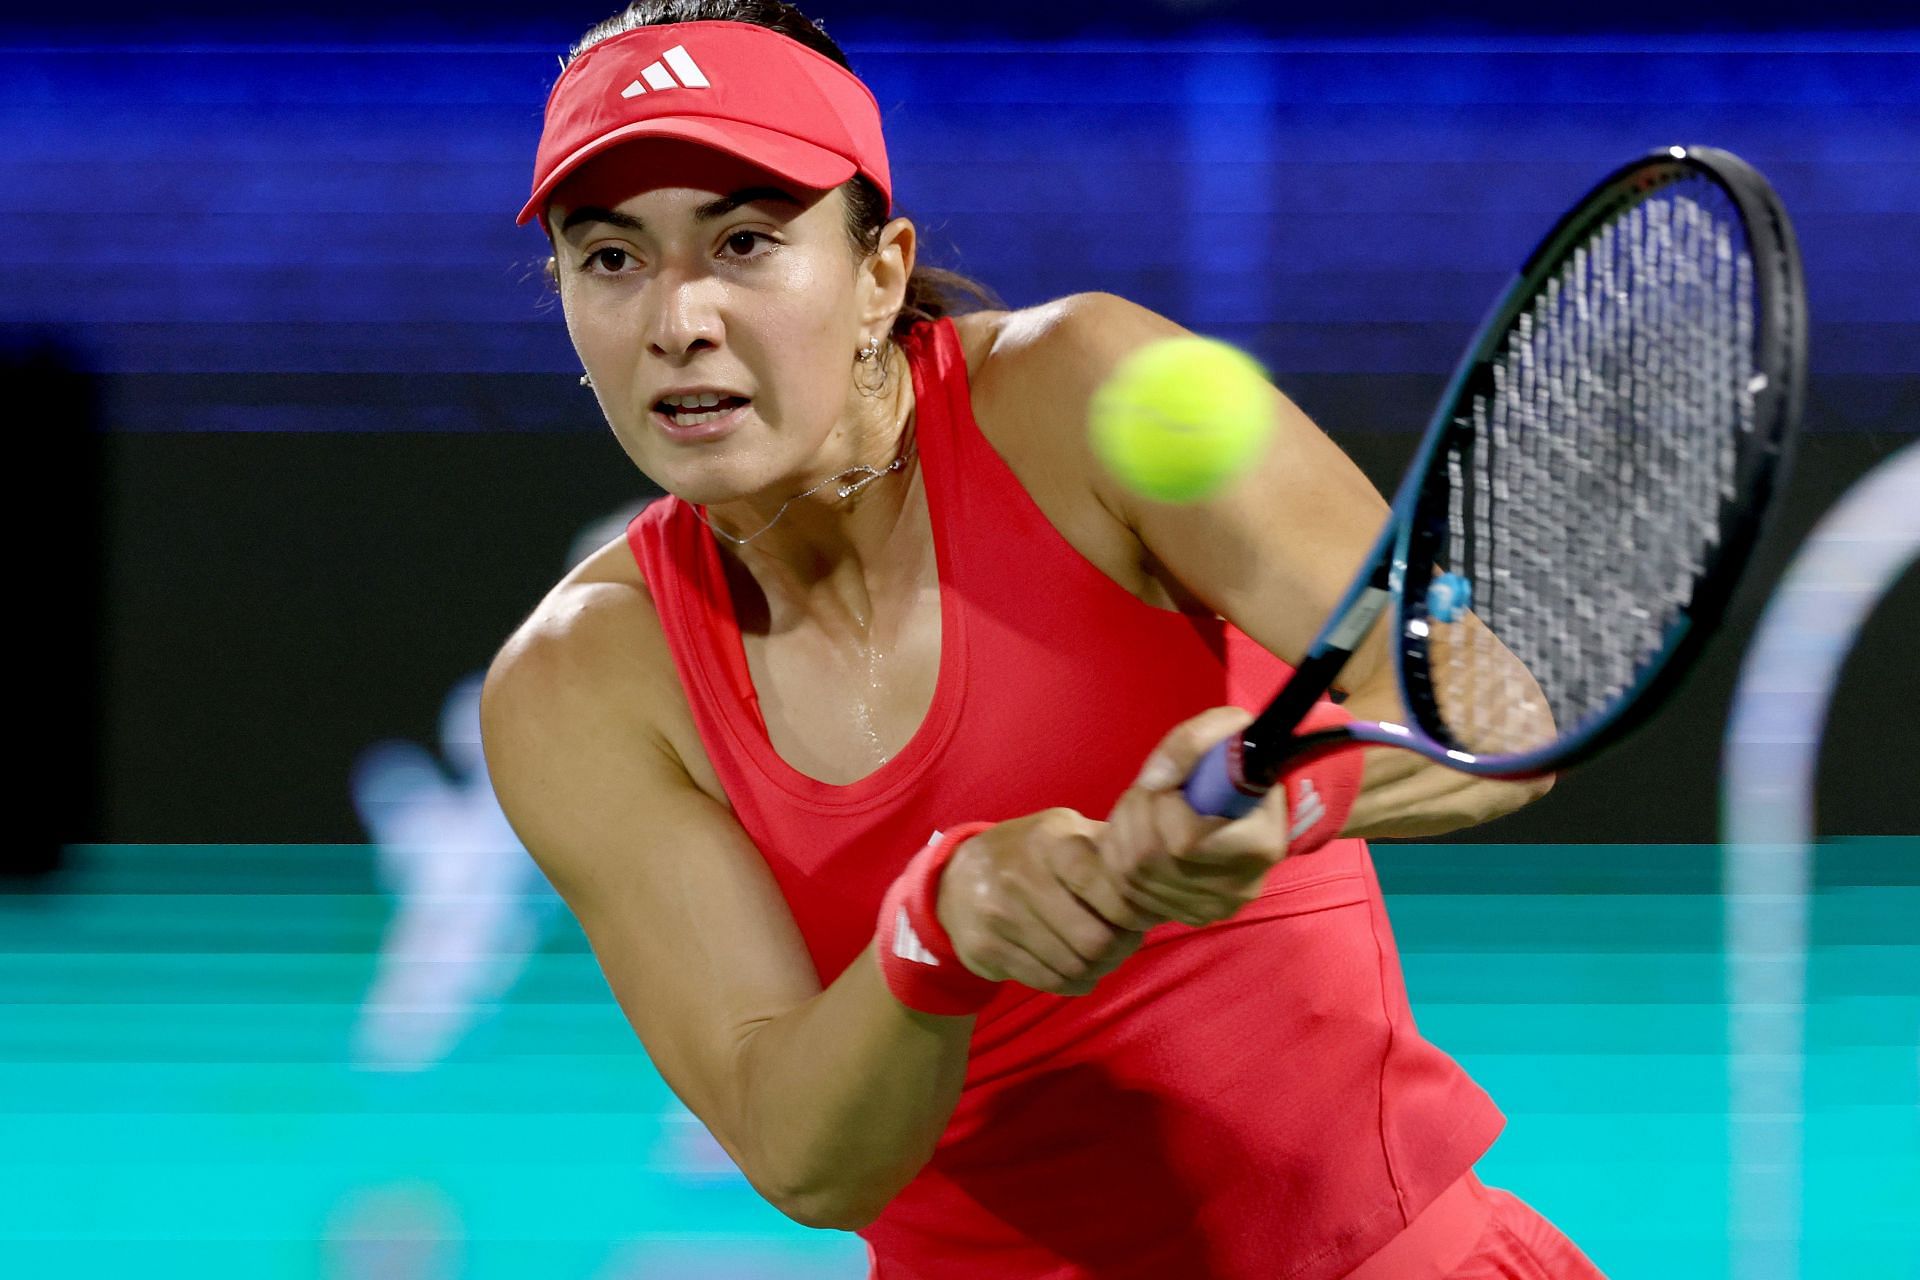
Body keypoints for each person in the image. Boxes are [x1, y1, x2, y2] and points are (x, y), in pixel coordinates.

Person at [480, 3, 1611, 1276]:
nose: (677, 317)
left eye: (744, 240)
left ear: (880, 274)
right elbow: (802, 1152)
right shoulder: (578, 683)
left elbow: (1495, 708)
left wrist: (1290, 793)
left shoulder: (1092, 388)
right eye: (612, 258)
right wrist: (939, 926)